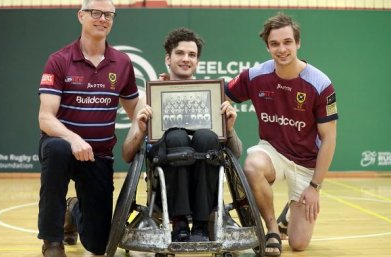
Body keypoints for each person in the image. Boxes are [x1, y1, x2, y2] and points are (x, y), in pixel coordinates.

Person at [225, 13, 338, 256]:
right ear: (267, 47)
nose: (282, 49)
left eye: (287, 42)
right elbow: (216, 94)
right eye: (275, 44)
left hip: (306, 164)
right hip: (272, 151)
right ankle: (273, 229)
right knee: (253, 165)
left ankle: (289, 215)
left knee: (298, 244)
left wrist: (314, 187)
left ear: (298, 43)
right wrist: (173, 85)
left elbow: (329, 138)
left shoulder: (320, 84)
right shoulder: (255, 76)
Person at [37, 0, 140, 256]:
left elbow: (135, 109)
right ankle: (52, 240)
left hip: (99, 156)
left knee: (99, 246)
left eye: (109, 15)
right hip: (64, 146)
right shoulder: (59, 60)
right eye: (96, 13)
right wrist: (74, 139)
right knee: (58, 150)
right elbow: (46, 118)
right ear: (81, 16)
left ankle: (74, 209)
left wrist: (154, 108)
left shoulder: (122, 63)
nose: (102, 19)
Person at [122, 28, 242, 242]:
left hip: (205, 174)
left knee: (206, 137)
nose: (186, 59)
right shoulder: (150, 97)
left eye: (192, 55)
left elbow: (237, 153)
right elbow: (127, 154)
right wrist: (141, 131)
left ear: (197, 61)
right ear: (168, 58)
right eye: (180, 53)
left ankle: (201, 225)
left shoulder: (214, 96)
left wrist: (230, 129)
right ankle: (179, 222)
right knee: (175, 136)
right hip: (167, 171)